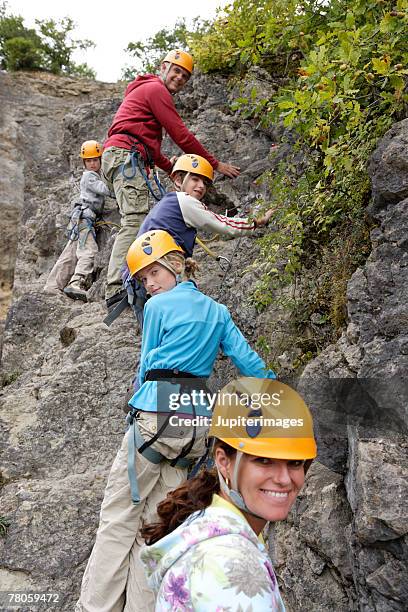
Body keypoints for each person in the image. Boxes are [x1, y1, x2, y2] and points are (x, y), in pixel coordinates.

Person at [76, 231, 276, 612]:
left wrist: (136, 409)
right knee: (155, 525)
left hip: (155, 418)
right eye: (144, 278)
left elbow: (146, 364)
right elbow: (250, 366)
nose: (150, 284)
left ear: (175, 264)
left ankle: (95, 607)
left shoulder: (156, 308)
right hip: (196, 428)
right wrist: (277, 401)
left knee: (118, 518)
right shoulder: (217, 311)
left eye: (153, 273)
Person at [140, 377, 317, 611]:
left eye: (294, 462)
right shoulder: (228, 565)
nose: (284, 479)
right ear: (224, 461)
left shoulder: (208, 525)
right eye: (264, 460)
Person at [102, 48, 241, 310]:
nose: (179, 78)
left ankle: (127, 280)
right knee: (134, 219)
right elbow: (181, 134)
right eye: (176, 71)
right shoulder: (156, 90)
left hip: (125, 156)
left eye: (185, 76)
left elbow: (153, 149)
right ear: (163, 67)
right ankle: (116, 287)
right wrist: (214, 164)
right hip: (126, 156)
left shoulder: (146, 92)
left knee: (136, 218)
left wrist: (170, 169)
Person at [104, 154, 274, 326]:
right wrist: (256, 222)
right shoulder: (184, 201)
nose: (200, 186)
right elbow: (221, 223)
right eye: (195, 179)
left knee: (156, 337)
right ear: (178, 180)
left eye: (204, 183)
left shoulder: (169, 203)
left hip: (139, 280)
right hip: (155, 274)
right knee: (179, 328)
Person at [43, 140, 113, 302]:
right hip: (84, 219)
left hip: (80, 219)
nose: (93, 163)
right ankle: (76, 282)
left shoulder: (93, 176)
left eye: (95, 159)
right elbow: (105, 190)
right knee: (89, 251)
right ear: (84, 162)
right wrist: (118, 183)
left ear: (100, 160)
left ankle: (52, 286)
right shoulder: (89, 177)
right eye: (89, 161)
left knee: (70, 254)